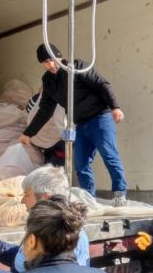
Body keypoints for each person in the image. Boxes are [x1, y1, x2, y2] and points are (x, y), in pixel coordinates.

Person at [20, 43, 128, 207]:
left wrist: (115, 107)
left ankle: (119, 193)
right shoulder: (48, 80)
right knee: (81, 163)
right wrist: (28, 133)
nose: (50, 65)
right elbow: (45, 110)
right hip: (80, 124)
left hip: (100, 118)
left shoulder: (77, 67)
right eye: (45, 62)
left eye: (51, 59)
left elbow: (102, 84)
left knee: (109, 156)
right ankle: (88, 198)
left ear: (59, 56)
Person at [24, 90, 66, 167]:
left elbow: (27, 111)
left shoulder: (39, 96)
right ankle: (55, 167)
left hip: (33, 138)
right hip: (54, 143)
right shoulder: (71, 103)